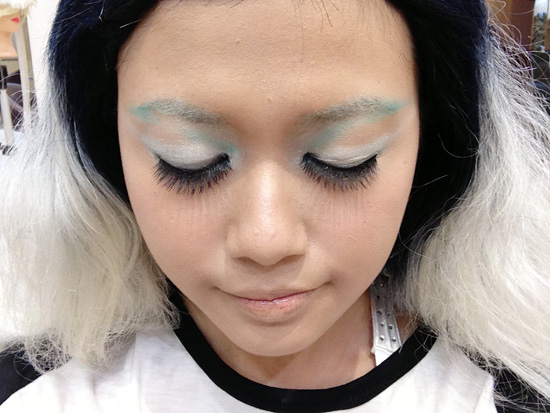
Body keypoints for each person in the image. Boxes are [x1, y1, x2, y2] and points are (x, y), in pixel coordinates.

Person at [0, 0, 549, 411]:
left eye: (346, 158)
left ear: (435, 142)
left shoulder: (507, 391)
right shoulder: (39, 393)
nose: (267, 242)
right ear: (104, 146)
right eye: (186, 160)